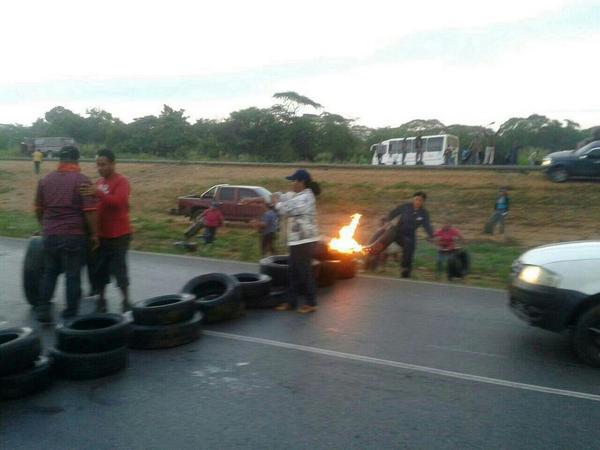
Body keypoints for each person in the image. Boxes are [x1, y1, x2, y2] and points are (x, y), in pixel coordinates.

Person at [242, 168, 321, 313]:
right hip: (296, 240)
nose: (291, 184)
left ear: (301, 182)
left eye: (293, 181)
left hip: (304, 240)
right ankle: (291, 302)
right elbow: (277, 196)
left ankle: (311, 303)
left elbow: (287, 210)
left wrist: (276, 203)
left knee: (304, 272)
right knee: (293, 272)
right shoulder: (297, 195)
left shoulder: (306, 197)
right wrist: (253, 200)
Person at [33, 145, 98, 323]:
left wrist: (44, 226)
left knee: (50, 271)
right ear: (77, 160)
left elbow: (38, 209)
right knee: (72, 274)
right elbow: (90, 210)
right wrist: (94, 234)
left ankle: (43, 309)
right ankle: (70, 313)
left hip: (50, 234)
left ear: (60, 160)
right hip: (73, 234)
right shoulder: (83, 180)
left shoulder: (45, 180)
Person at [80, 149, 132, 313]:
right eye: (98, 165)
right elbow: (94, 205)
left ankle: (126, 300)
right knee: (99, 270)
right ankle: (101, 300)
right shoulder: (99, 182)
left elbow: (118, 202)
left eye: (103, 164)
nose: (100, 168)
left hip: (119, 235)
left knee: (119, 270)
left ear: (113, 164)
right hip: (102, 235)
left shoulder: (122, 181)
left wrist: (98, 193)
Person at [365, 191, 434, 278]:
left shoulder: (424, 213)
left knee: (410, 248)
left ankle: (405, 272)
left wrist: (431, 236)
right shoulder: (405, 207)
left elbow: (427, 226)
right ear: (413, 199)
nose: (417, 202)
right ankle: (370, 256)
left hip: (409, 235)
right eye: (416, 199)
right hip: (398, 231)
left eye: (420, 200)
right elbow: (393, 213)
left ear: (423, 202)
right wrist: (387, 222)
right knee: (388, 235)